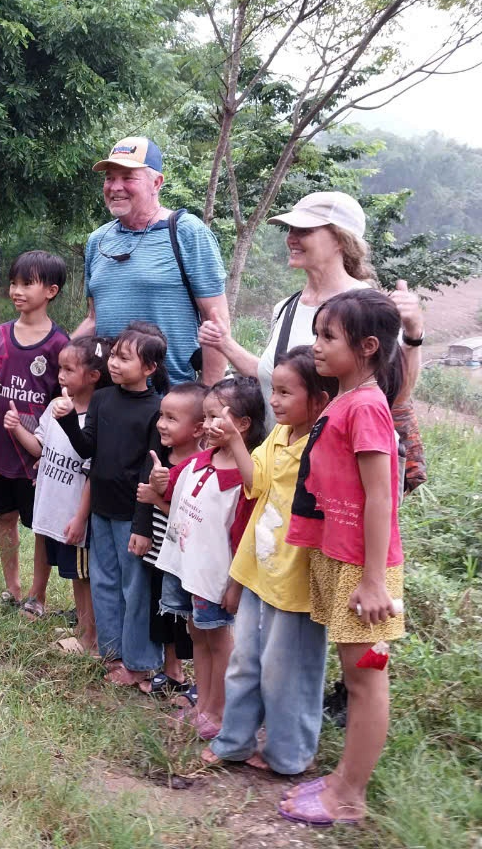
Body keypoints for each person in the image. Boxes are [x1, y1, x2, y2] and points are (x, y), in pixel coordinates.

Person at [279, 290, 406, 828]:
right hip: (343, 560)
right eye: (317, 333)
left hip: (364, 570)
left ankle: (350, 796)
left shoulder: (368, 406)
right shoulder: (345, 399)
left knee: (365, 678)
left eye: (329, 336)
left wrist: (375, 581)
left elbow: (382, 495)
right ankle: (342, 780)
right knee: (354, 676)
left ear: (368, 346)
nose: (317, 346)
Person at [204, 346, 338, 774]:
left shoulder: (323, 445)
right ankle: (234, 742)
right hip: (259, 566)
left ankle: (289, 754)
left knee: (289, 672)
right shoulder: (280, 434)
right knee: (246, 661)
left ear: (318, 399)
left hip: (296, 577)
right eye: (273, 390)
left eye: (285, 392)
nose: (274, 400)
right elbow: (256, 481)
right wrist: (233, 441)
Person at [197, 191, 424, 424]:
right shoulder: (287, 308)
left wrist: (413, 335)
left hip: (332, 456)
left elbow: (396, 397)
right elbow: (277, 378)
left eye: (304, 231)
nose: (292, 238)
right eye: (291, 230)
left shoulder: (367, 309)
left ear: (340, 239)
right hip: (278, 456)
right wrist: (224, 343)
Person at [52, 322, 167, 687]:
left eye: (125, 358)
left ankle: (139, 662)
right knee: (103, 581)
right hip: (101, 508)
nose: (114, 363)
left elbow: (151, 470)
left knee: (136, 588)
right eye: (114, 355)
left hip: (132, 514)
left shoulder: (156, 410)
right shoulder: (102, 399)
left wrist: (142, 524)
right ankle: (112, 653)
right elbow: (88, 450)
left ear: (149, 368)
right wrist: (69, 420)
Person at [155, 377, 266, 741]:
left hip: (216, 578)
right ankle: (202, 705)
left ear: (243, 424)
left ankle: (219, 712)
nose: (205, 425)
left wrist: (235, 585)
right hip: (189, 570)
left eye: (214, 417)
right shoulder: (201, 459)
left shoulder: (245, 480)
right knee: (197, 635)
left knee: (219, 640)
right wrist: (160, 481)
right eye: (203, 417)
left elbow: (246, 538)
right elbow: (173, 491)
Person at [74, 137, 230, 385]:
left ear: (156, 183)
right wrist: (53, 352)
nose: (115, 187)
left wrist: (209, 395)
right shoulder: (98, 240)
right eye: (110, 178)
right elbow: (94, 320)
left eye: (127, 178)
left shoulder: (186, 232)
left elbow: (215, 321)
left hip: (171, 402)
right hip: (106, 398)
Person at [0, 251, 70, 609]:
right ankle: (12, 587)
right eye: (14, 282)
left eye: (27, 284)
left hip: (36, 452)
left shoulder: (61, 345)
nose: (16, 290)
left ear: (51, 291)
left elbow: (67, 396)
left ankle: (37, 594)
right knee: (5, 516)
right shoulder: (0, 335)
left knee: (41, 524)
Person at [4, 335, 112, 651]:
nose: (60, 375)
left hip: (74, 513)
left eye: (68, 369)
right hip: (51, 504)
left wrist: (80, 517)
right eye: (59, 368)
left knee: (81, 576)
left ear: (93, 376)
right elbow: (40, 447)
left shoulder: (96, 420)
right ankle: (82, 630)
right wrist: (16, 428)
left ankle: (88, 638)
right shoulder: (55, 407)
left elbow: (93, 471)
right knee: (69, 569)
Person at [131, 381, 207, 700]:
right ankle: (171, 670)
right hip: (159, 552)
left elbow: (188, 515)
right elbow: (147, 500)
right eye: (162, 415)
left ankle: (195, 682)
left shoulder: (201, 465)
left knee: (184, 619)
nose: (161, 423)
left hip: (185, 557)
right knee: (160, 611)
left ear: (198, 428)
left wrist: (156, 497)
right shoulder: (161, 458)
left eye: (172, 418)